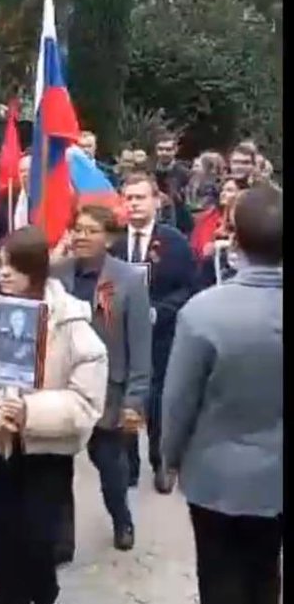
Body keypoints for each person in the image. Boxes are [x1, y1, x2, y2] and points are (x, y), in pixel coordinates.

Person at [162, 185, 282, 604]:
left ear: (234, 239)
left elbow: (178, 400)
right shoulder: (204, 310)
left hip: (216, 477)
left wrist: (167, 458)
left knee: (222, 579)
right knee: (264, 572)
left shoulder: (205, 313)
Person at [0, 227, 107, 604]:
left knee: (37, 541)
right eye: (0, 264)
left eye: (15, 265)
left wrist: (30, 411)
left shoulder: (70, 321)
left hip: (44, 453)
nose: (5, 273)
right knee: (4, 546)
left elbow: (86, 402)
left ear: (37, 268)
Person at [53, 205, 152, 555]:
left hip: (108, 388)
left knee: (109, 462)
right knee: (57, 465)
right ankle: (62, 540)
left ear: (109, 238)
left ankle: (121, 518)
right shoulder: (57, 273)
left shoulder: (128, 279)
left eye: (91, 230)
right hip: (64, 385)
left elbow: (140, 344)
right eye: (77, 229)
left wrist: (135, 399)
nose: (81, 236)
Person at [112, 173, 196, 493]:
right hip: (122, 338)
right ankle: (128, 466)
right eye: (128, 198)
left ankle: (161, 462)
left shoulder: (174, 242)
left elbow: (189, 287)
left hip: (161, 336)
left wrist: (159, 311)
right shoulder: (116, 243)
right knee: (125, 397)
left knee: (159, 401)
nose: (133, 204)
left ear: (156, 201)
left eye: (140, 197)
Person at [153, 133, 192, 235]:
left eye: (168, 149)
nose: (164, 153)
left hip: (180, 223)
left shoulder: (184, 173)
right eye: (161, 149)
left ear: (175, 150)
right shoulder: (149, 171)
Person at [0, 154, 32, 249]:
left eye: (30, 170)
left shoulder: (46, 198)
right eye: (22, 171)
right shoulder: (6, 197)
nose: (26, 175)